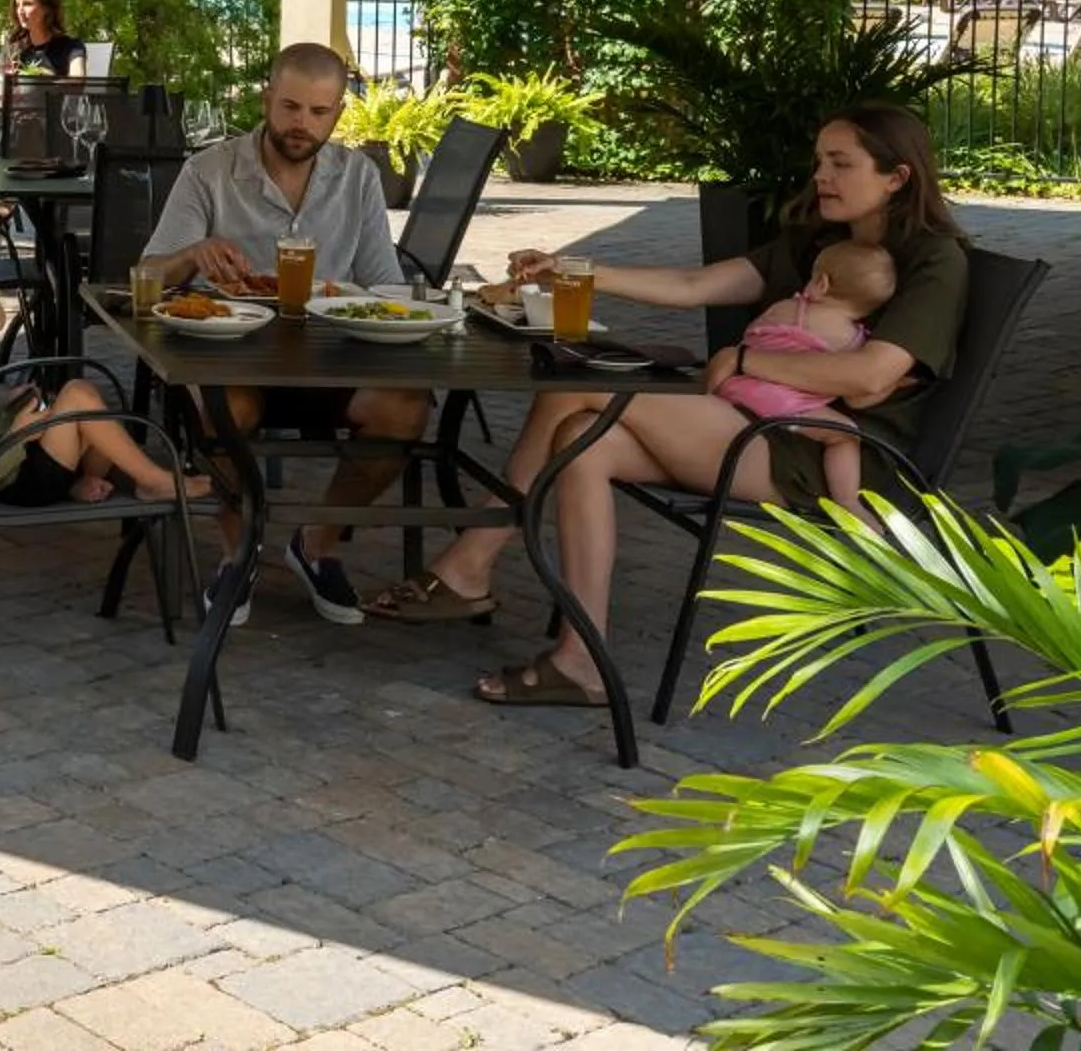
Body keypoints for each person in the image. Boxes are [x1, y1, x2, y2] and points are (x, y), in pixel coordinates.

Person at [362, 106, 969, 712]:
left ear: (897, 177)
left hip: (825, 454)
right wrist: (577, 271)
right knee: (582, 438)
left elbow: (870, 376)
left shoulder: (933, 261)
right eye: (819, 162)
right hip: (758, 423)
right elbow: (695, 287)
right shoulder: (823, 245)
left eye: (841, 164)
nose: (821, 177)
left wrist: (748, 363)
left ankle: (471, 564)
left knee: (577, 388)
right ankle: (581, 660)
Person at [138, 42, 408, 626]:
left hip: (331, 355)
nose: (301, 124)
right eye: (289, 107)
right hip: (234, 355)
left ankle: (318, 545)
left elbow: (388, 288)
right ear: (266, 98)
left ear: (338, 112)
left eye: (319, 112)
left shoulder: (357, 176)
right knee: (219, 410)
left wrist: (356, 301)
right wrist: (192, 253)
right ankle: (240, 552)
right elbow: (145, 276)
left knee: (405, 409)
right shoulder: (210, 171)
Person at [0, 269, 207, 503]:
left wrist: (9, 399)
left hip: (24, 460)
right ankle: (153, 482)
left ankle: (85, 480)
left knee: (90, 407)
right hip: (18, 482)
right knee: (78, 396)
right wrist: (18, 432)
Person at [716, 239, 897, 515]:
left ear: (821, 283)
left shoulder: (785, 308)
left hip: (736, 387)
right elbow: (858, 391)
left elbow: (751, 336)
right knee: (845, 436)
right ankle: (847, 502)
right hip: (787, 406)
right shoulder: (853, 339)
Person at [0, 0, 88, 79]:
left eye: (27, 4)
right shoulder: (12, 48)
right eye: (17, 5)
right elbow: (0, 86)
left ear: (47, 8)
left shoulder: (72, 47)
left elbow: (77, 82)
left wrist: (40, 83)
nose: (20, 11)